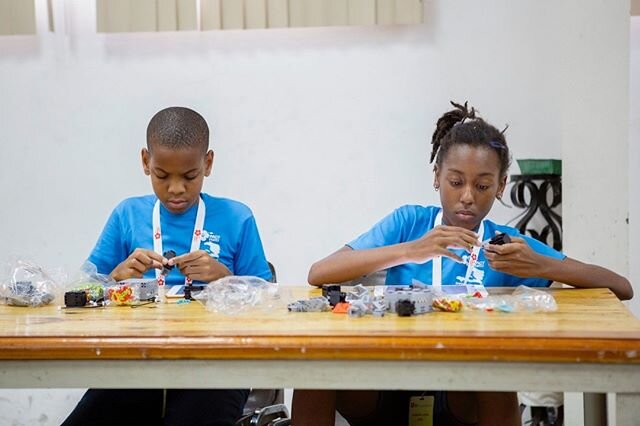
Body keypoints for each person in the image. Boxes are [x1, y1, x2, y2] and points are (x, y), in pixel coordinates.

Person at [292, 101, 633, 426]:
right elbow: (319, 272)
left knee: (495, 377)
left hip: (462, 392)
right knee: (313, 369)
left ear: (500, 186)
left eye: (483, 185)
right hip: (387, 381)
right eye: (456, 182)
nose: (468, 196)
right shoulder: (409, 223)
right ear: (436, 176)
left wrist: (541, 266)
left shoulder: (507, 244)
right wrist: (411, 250)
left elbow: (622, 287)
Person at [63, 106, 272, 426]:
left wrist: (225, 278)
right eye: (162, 175)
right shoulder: (127, 215)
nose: (176, 188)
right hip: (136, 361)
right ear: (146, 162)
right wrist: (115, 276)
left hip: (217, 366)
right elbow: (79, 292)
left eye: (190, 176)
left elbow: (270, 300)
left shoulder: (236, 217)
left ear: (208, 163)